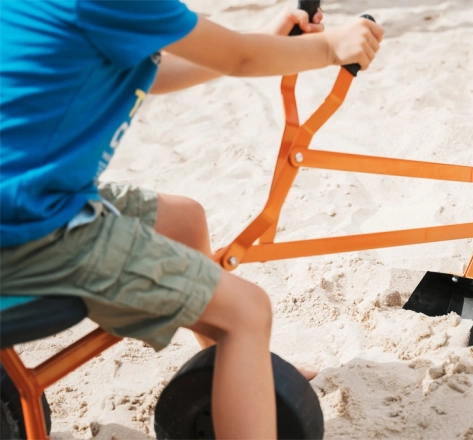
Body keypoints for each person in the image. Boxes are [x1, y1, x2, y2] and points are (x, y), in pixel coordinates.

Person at [0, 1, 384, 438]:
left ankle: (242, 369)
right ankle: (242, 348)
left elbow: (152, 70)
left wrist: (264, 37)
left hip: (30, 198)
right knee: (247, 311)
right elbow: (239, 57)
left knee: (183, 220)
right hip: (27, 230)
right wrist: (333, 47)